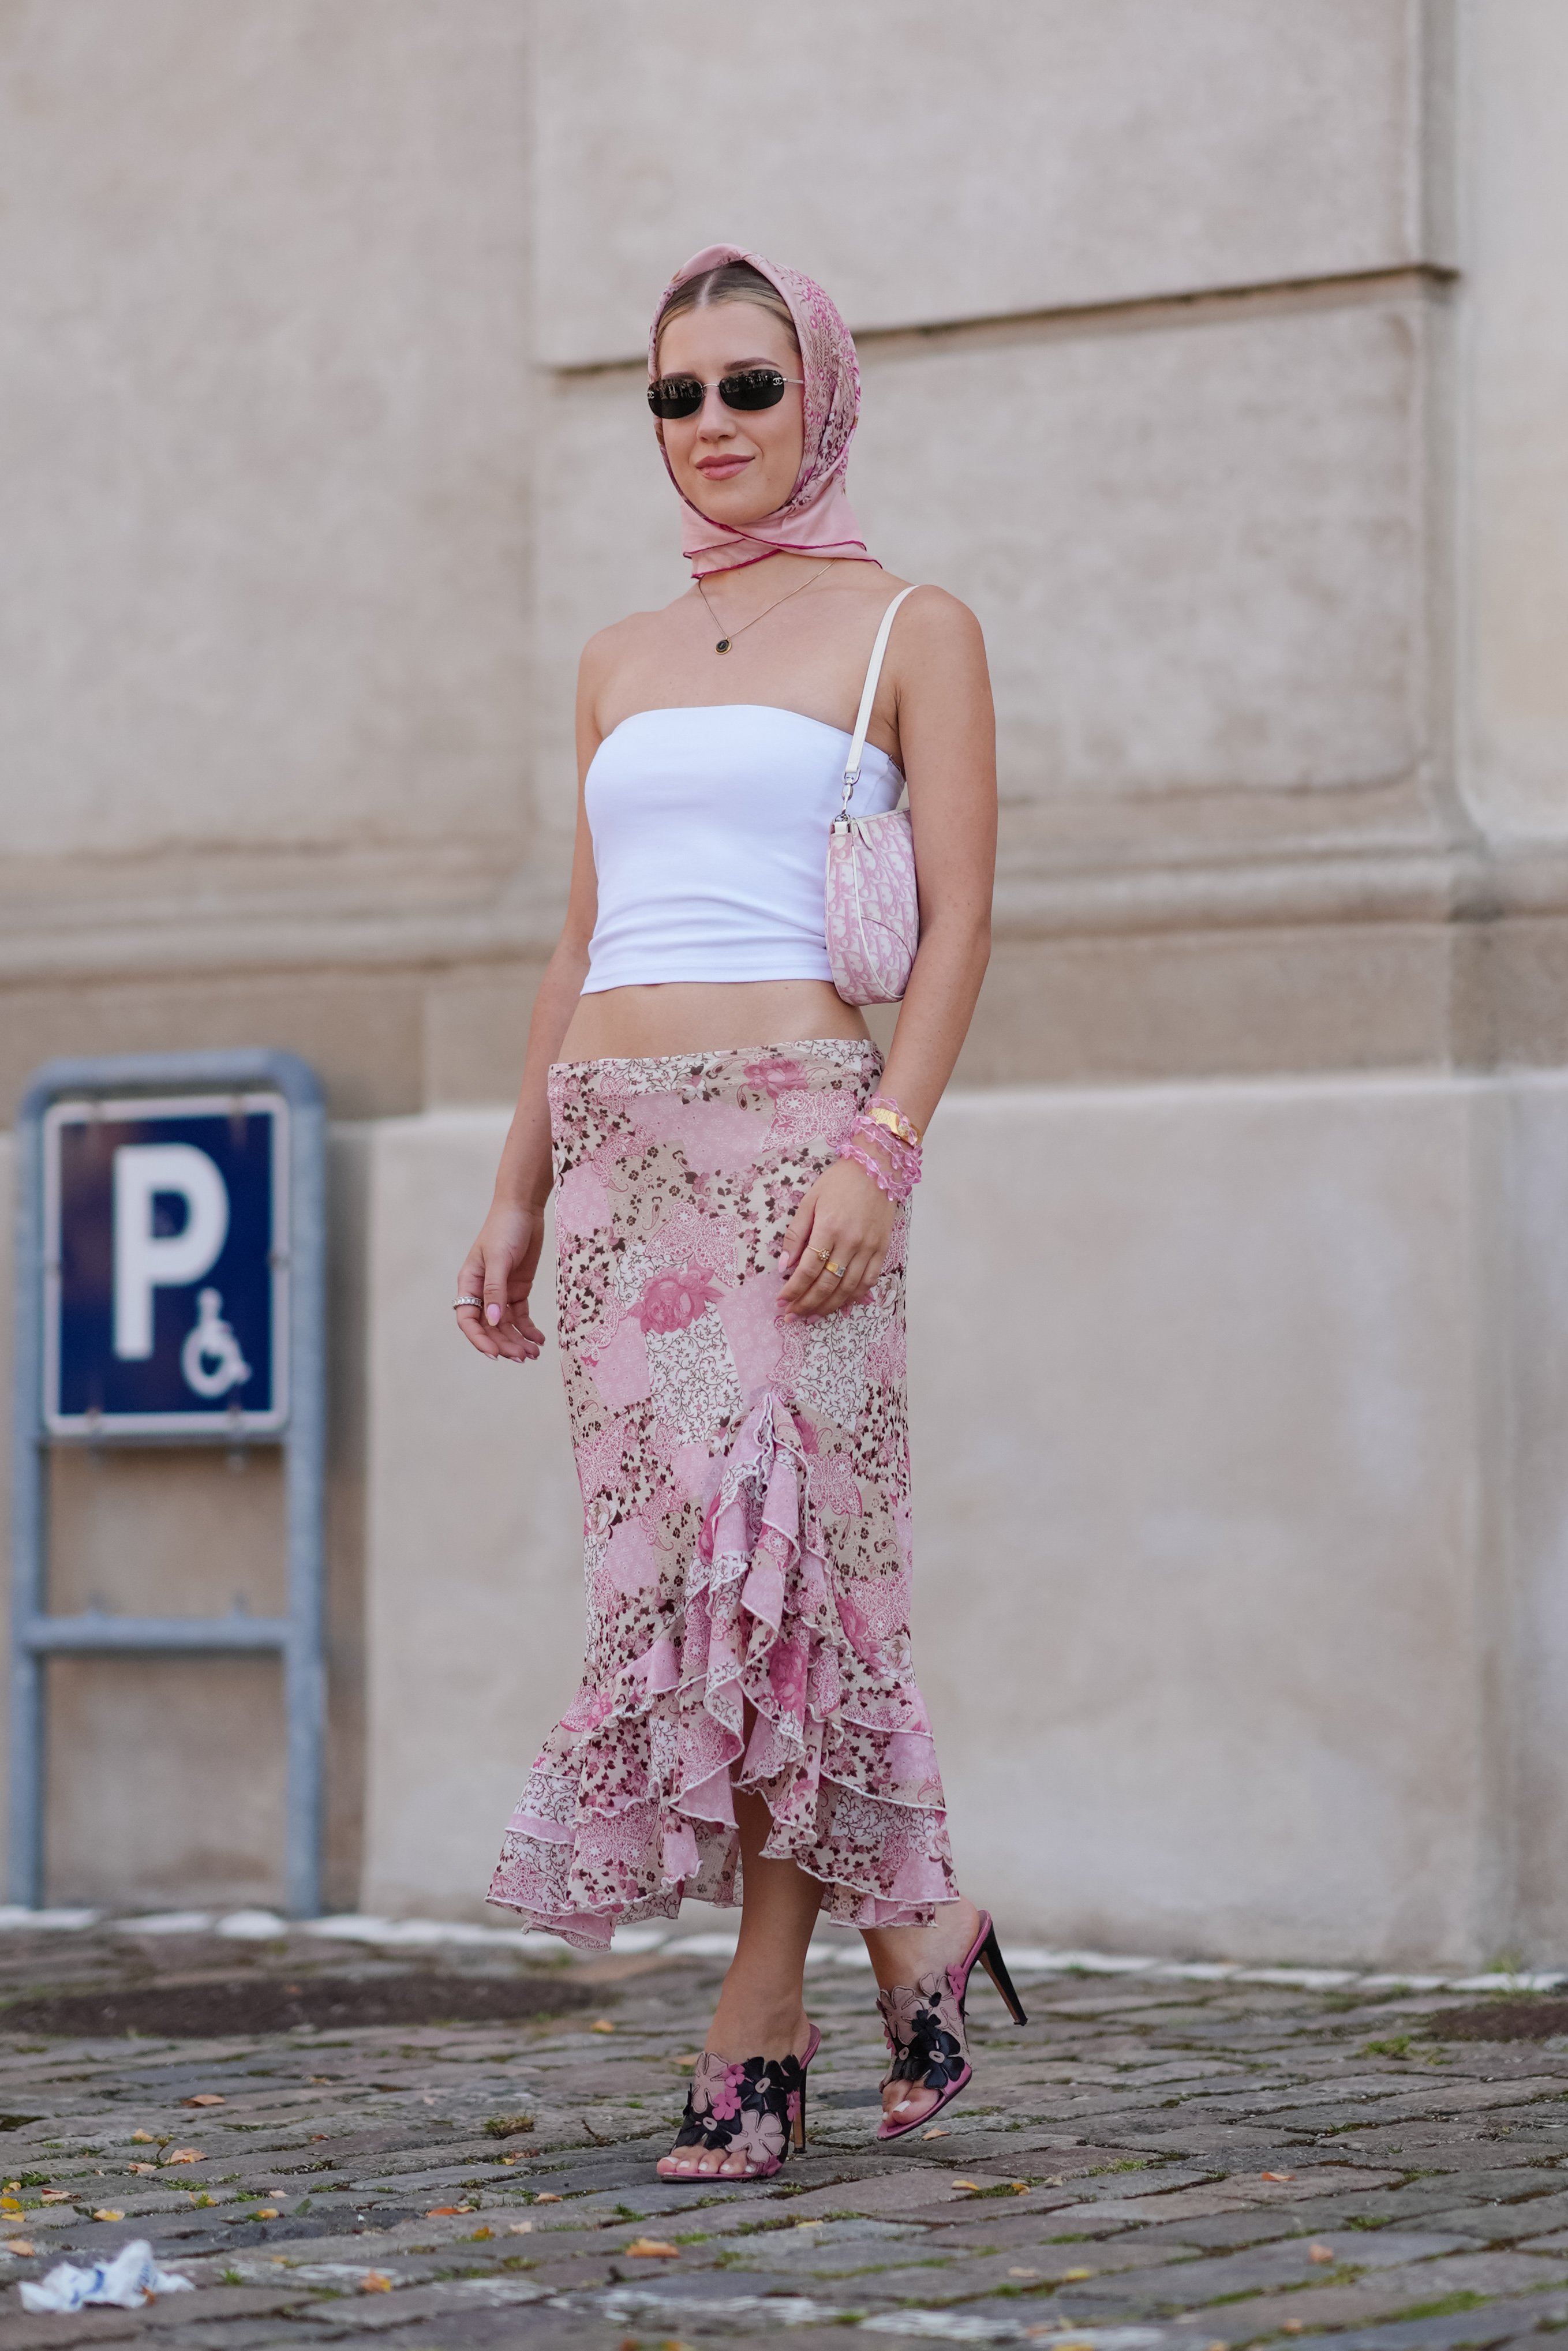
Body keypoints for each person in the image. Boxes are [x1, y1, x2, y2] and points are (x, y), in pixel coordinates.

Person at [458, 244, 1021, 2181]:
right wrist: (519, 1181)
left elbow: (959, 919)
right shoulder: (617, 656)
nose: (711, 424)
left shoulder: (912, 627)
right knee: (689, 1588)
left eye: (749, 386)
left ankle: (759, 2012)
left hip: (797, 1147)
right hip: (621, 1162)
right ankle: (919, 1921)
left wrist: (886, 1148)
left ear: (823, 398)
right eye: (676, 394)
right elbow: (581, 937)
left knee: (780, 1579)